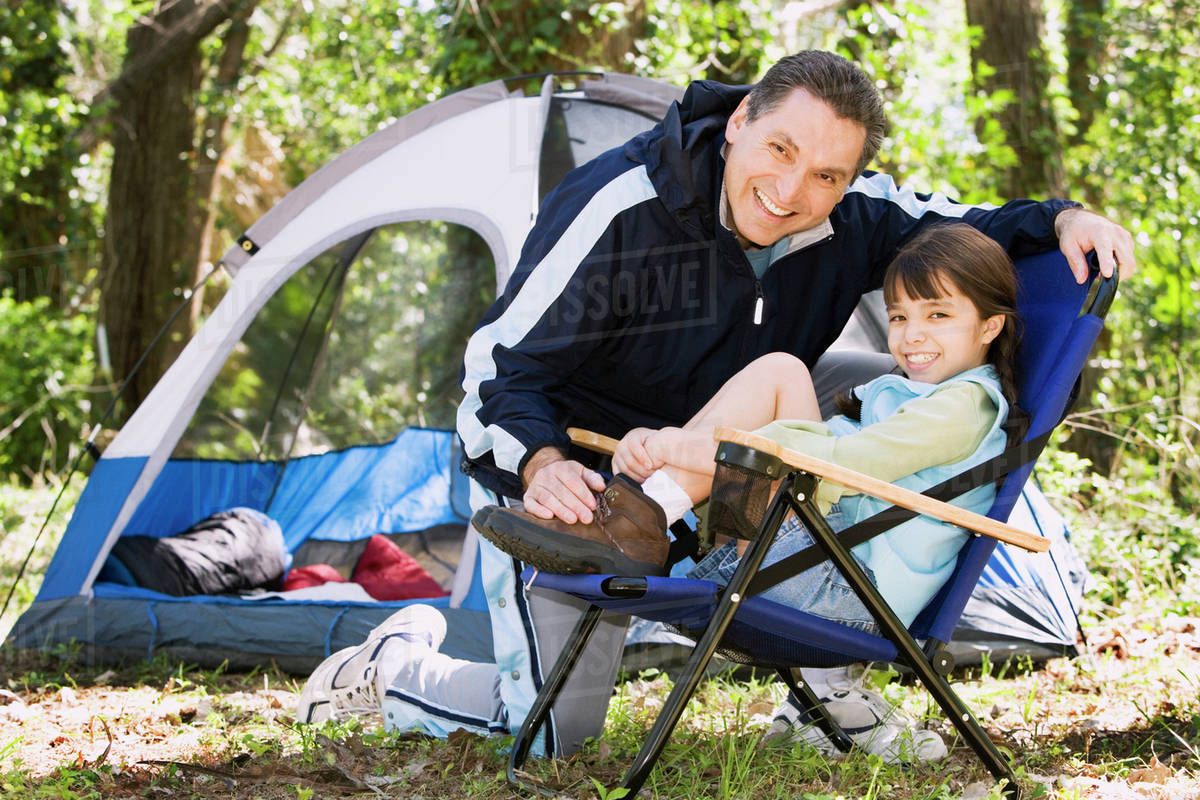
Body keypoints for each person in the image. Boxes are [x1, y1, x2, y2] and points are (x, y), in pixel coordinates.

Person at [299, 50, 1134, 760]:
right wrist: (542, 462)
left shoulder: (855, 215)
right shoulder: (621, 207)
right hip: (569, 489)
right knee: (555, 738)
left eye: (827, 175)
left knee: (845, 382)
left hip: (702, 486)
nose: (792, 190)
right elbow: (498, 367)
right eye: (779, 148)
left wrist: (1064, 219)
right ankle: (392, 666)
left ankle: (819, 691)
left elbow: (974, 233)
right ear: (738, 123)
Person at [474, 222, 1021, 760]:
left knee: (776, 400)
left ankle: (638, 516)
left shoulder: (965, 403)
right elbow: (821, 447)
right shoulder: (902, 391)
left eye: (939, 315)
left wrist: (704, 452)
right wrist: (684, 447)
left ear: (991, 327)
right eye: (899, 316)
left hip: (849, 594)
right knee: (780, 373)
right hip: (821, 567)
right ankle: (640, 507)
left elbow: (853, 460)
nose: (911, 335)